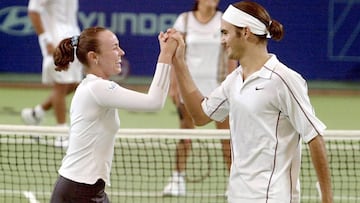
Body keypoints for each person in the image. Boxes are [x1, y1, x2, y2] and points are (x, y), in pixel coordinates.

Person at [168, 1, 333, 203]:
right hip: (238, 196)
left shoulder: (284, 79)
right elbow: (201, 116)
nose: (222, 40)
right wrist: (179, 63)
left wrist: (327, 198)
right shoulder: (234, 80)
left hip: (273, 197)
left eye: (225, 33)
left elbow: (314, 136)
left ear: (245, 33)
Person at [49, 26, 176, 202]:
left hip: (88, 189)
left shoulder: (94, 87)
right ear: (94, 57)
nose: (121, 52)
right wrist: (166, 55)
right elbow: (154, 102)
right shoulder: (97, 88)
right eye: (115, 47)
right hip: (77, 192)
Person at [163, 0, 237, 196]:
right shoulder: (184, 20)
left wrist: (233, 83)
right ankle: (177, 179)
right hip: (190, 88)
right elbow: (175, 55)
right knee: (185, 134)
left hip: (219, 88)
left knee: (226, 138)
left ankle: (234, 183)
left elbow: (232, 54)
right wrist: (174, 84)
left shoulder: (224, 21)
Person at [21, 0, 82, 147]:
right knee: (60, 86)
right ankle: (60, 134)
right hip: (55, 39)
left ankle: (36, 114)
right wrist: (46, 40)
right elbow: (33, 11)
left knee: (74, 83)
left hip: (74, 37)